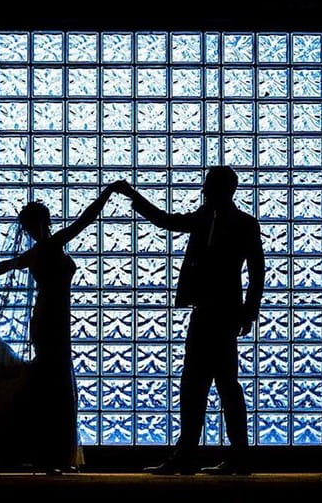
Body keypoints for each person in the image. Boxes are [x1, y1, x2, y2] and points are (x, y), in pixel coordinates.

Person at [0, 183, 119, 474]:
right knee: (54, 383)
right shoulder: (50, 246)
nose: (34, 230)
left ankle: (52, 453)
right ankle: (53, 454)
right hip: (48, 321)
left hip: (51, 319)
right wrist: (109, 192)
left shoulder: (42, 250)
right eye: (31, 226)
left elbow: (9, 264)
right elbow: (86, 219)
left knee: (53, 382)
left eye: (35, 224)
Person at [114, 167, 265, 475]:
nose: (203, 191)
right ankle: (230, 457)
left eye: (208, 186)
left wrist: (248, 312)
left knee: (207, 384)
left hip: (217, 314)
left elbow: (257, 272)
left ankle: (196, 456)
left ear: (220, 190)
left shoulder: (235, 223)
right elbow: (165, 221)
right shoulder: (225, 221)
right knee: (211, 385)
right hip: (213, 313)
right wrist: (133, 196)